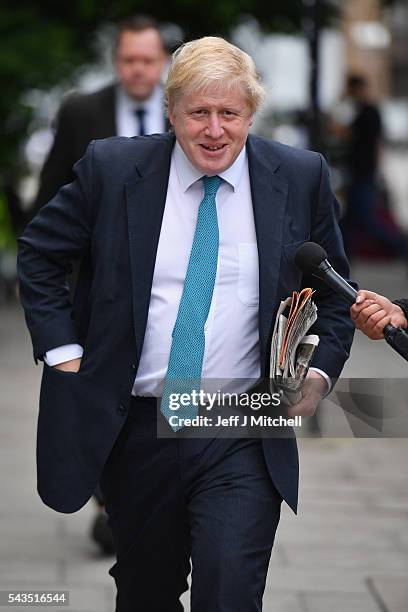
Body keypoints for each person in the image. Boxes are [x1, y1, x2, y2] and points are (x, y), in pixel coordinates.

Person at [17, 37, 355, 611]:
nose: (215, 130)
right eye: (199, 113)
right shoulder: (113, 168)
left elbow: (336, 296)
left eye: (230, 114)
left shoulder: (298, 176)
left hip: (242, 423)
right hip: (140, 426)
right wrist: (63, 351)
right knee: (146, 593)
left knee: (229, 589)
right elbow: (40, 253)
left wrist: (317, 378)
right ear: (171, 111)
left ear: (251, 114)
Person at [30, 14, 169, 219]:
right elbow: (53, 189)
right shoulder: (79, 112)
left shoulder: (187, 111)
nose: (138, 69)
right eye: (129, 60)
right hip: (95, 242)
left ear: (163, 61)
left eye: (147, 61)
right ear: (115, 61)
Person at [336, 74, 408, 260]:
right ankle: (342, 255)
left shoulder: (367, 111)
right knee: (350, 220)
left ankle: (401, 246)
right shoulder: (367, 110)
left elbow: (345, 134)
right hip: (361, 172)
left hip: (363, 173)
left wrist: (340, 103)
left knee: (366, 219)